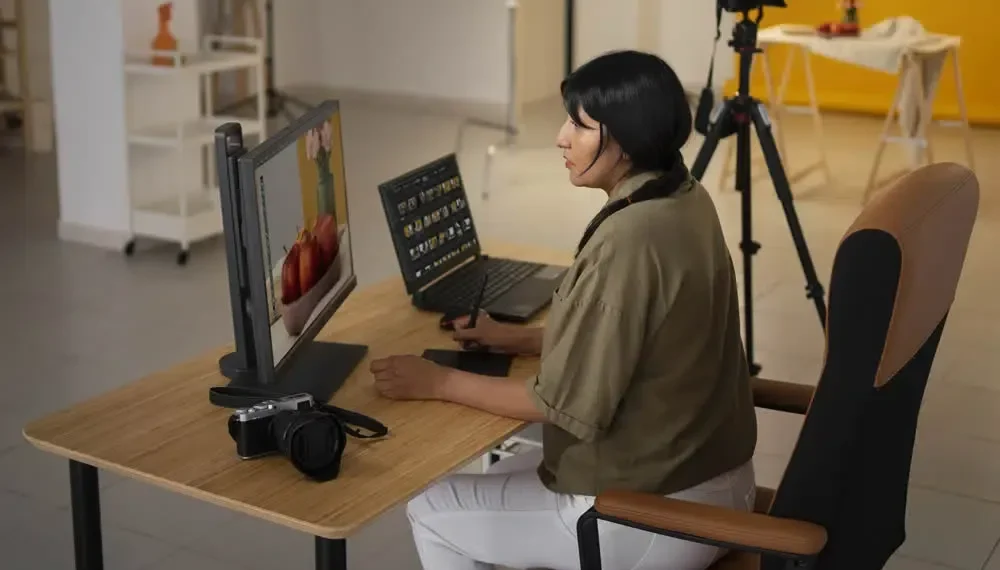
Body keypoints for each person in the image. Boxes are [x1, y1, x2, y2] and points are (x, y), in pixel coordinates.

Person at [370, 49, 758, 570]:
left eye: (580, 125)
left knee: (429, 504)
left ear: (624, 141)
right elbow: (641, 338)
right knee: (497, 474)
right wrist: (523, 340)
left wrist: (437, 382)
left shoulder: (627, 239)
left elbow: (561, 404)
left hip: (651, 517)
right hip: (721, 482)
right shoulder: (685, 196)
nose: (560, 137)